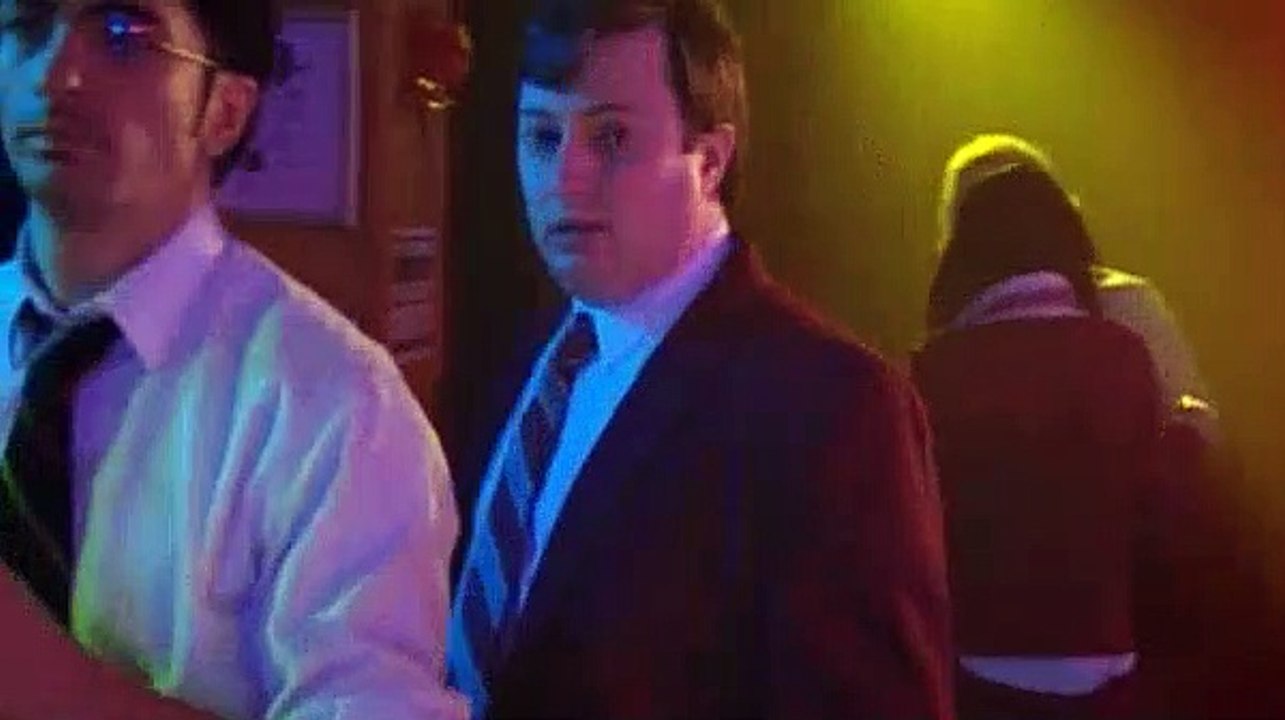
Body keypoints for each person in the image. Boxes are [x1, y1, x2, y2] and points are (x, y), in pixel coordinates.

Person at [444, 0, 953, 717]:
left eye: (611, 137)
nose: (563, 177)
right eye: (542, 136)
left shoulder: (834, 409)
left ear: (709, 161)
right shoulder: (523, 364)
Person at [0, 1, 465, 718]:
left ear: (224, 110)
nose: (54, 76)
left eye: (122, 36)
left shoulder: (337, 410)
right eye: (28, 26)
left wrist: (56, 686)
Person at [914, 163, 1171, 718]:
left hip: (977, 672)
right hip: (1108, 663)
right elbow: (1152, 512)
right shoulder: (1122, 356)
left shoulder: (932, 372)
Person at [938, 133, 1216, 437]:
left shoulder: (1125, 303)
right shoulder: (950, 345)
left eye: (1019, 202)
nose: (1005, 225)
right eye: (986, 211)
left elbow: (1198, 426)